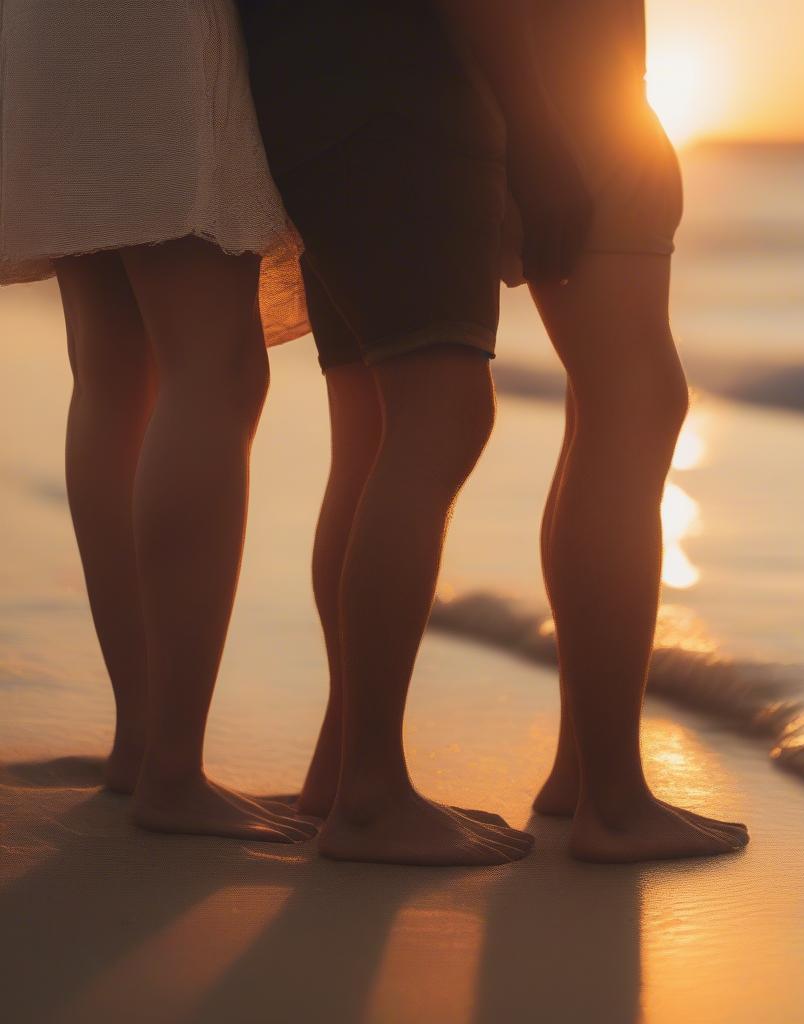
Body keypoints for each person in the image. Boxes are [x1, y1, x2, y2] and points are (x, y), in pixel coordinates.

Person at [240, 0, 591, 866]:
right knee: (444, 415)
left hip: (307, 92)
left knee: (371, 433)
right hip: (402, 96)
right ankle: (370, 794)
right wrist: (538, 133)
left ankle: (344, 768)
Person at [0, 1, 316, 843]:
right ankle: (173, 768)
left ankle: (143, 739)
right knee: (211, 367)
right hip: (153, 36)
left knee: (112, 376)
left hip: (48, 35)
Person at [507, 0, 751, 861]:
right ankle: (611, 799)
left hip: (572, 99)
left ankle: (583, 769)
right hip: (579, 104)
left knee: (605, 410)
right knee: (634, 407)